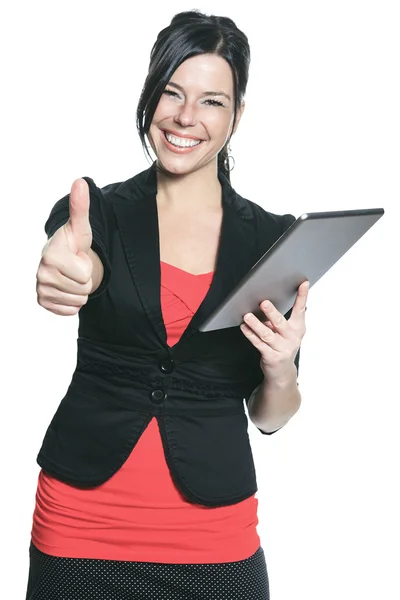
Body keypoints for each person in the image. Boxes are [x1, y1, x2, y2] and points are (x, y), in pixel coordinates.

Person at [25, 9, 308, 600]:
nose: (186, 117)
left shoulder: (272, 241)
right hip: (82, 524)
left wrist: (281, 366)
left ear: (237, 116)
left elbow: (271, 415)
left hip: (214, 531)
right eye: (172, 93)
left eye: (211, 101)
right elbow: (84, 260)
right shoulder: (98, 211)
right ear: (150, 97)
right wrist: (71, 274)